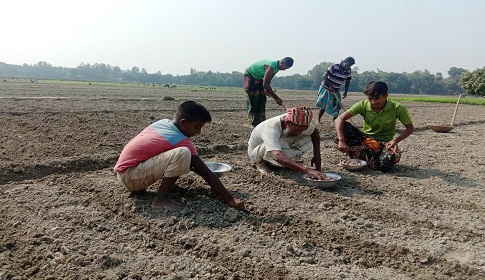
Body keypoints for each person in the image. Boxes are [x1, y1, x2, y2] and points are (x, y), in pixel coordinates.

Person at [114, 100, 245, 211]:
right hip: (130, 177)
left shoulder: (163, 123)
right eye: (197, 127)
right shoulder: (181, 140)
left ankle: (139, 187)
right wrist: (230, 199)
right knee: (183, 153)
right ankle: (160, 200)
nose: (199, 132)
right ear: (183, 123)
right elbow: (206, 173)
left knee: (182, 155)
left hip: (125, 173)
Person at [334, 81, 415, 172]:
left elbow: (410, 128)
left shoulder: (397, 108)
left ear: (385, 96)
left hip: (385, 143)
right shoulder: (363, 104)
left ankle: (365, 157)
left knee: (388, 163)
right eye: (370, 98)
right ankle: (363, 155)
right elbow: (339, 119)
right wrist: (342, 140)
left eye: (377, 98)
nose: (373, 102)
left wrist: (395, 141)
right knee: (343, 126)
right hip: (365, 140)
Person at [247, 106, 327, 180]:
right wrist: (306, 170)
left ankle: (289, 161)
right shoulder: (271, 128)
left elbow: (314, 132)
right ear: (288, 123)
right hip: (256, 154)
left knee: (307, 137)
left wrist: (317, 156)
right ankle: (262, 164)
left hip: (278, 147)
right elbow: (276, 155)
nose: (299, 133)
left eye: (302, 130)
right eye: (297, 130)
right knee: (278, 142)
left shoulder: (300, 121)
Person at [243, 57, 294, 127]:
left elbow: (268, 82)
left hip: (258, 78)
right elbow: (265, 85)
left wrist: (267, 91)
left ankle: (260, 121)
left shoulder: (276, 69)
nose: (284, 69)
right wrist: (276, 98)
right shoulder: (271, 66)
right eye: (285, 67)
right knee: (254, 98)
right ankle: (253, 122)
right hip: (250, 75)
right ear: (282, 62)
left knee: (262, 99)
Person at [315, 57, 355, 123]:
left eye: (349, 66)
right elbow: (324, 77)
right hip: (326, 87)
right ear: (344, 61)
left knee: (338, 105)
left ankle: (334, 121)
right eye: (347, 65)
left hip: (336, 89)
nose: (347, 67)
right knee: (325, 104)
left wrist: (345, 92)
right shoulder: (333, 67)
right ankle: (318, 119)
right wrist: (331, 86)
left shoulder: (348, 71)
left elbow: (348, 81)